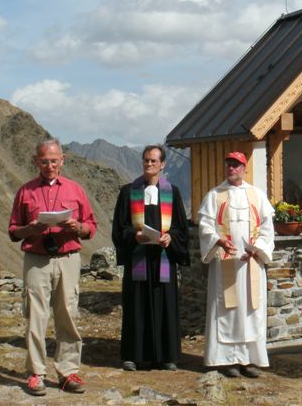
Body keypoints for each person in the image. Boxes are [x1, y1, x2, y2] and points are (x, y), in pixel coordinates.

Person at [8, 138, 97, 396]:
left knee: (67, 314)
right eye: (44, 161)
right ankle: (36, 373)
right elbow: (14, 231)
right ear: (36, 161)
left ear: (63, 160)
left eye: (54, 161)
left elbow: (90, 227)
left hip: (68, 258)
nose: (49, 165)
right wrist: (31, 229)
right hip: (36, 259)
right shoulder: (25, 191)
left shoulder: (76, 190)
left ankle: (68, 373)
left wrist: (76, 227)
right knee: (36, 315)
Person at [112, 144, 190, 372]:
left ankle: (166, 357)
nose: (149, 164)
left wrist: (170, 238)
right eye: (146, 160)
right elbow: (119, 227)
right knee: (136, 307)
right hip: (139, 260)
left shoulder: (172, 193)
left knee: (164, 305)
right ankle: (133, 356)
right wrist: (134, 236)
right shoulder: (128, 192)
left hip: (163, 260)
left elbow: (181, 228)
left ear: (162, 164)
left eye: (154, 161)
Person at [198, 151, 275, 378]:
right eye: (229, 165)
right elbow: (205, 225)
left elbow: (267, 227)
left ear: (244, 168)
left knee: (250, 311)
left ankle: (249, 360)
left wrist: (257, 249)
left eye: (237, 165)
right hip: (225, 262)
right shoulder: (214, 196)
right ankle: (227, 360)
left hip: (251, 262)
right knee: (227, 311)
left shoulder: (257, 195)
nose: (232, 169)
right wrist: (218, 240)